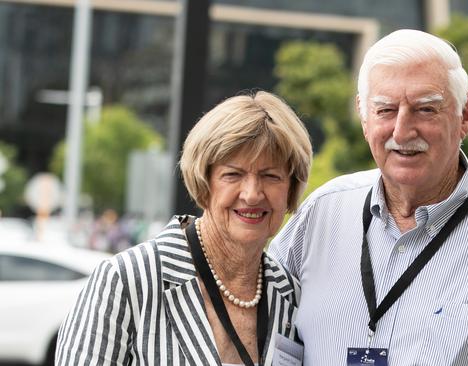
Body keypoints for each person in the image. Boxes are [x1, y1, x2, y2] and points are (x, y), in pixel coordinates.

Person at [269, 29, 468, 365]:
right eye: (386, 110)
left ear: (465, 114)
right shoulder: (321, 215)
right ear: (364, 117)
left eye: (425, 109)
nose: (402, 131)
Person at [56, 91, 312, 366]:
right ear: (205, 183)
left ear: (290, 188)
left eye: (270, 176)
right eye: (233, 174)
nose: (252, 194)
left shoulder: (291, 295)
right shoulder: (128, 280)